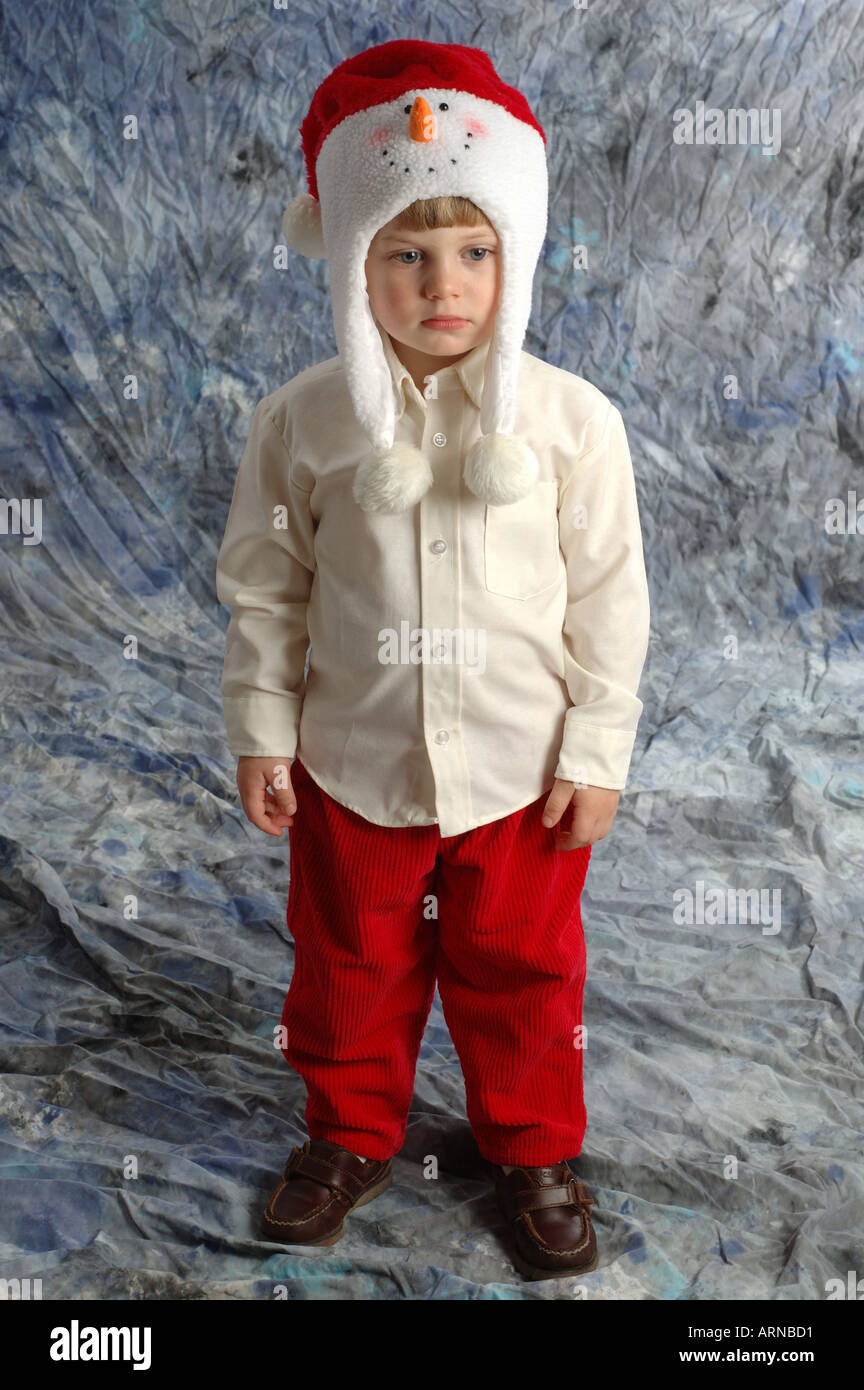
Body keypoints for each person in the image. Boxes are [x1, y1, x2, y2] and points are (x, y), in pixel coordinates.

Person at [215, 38, 650, 1282]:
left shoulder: (573, 425)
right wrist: (261, 726)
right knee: (348, 964)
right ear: (354, 262)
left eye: (474, 251)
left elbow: (612, 602)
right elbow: (266, 583)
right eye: (404, 253)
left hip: (524, 770)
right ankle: (347, 1132)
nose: (441, 284)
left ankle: (531, 1151)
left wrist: (597, 749)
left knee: (523, 969)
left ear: (513, 261)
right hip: (355, 765)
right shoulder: (304, 421)